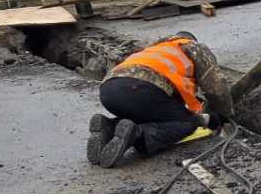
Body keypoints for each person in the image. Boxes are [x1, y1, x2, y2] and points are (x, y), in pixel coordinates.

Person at [88, 32, 234, 168]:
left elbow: (166, 104)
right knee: (188, 123)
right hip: (142, 89)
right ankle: (138, 135)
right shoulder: (193, 47)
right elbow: (217, 87)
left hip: (108, 91)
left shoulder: (156, 48)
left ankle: (109, 126)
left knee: (151, 114)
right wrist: (223, 116)